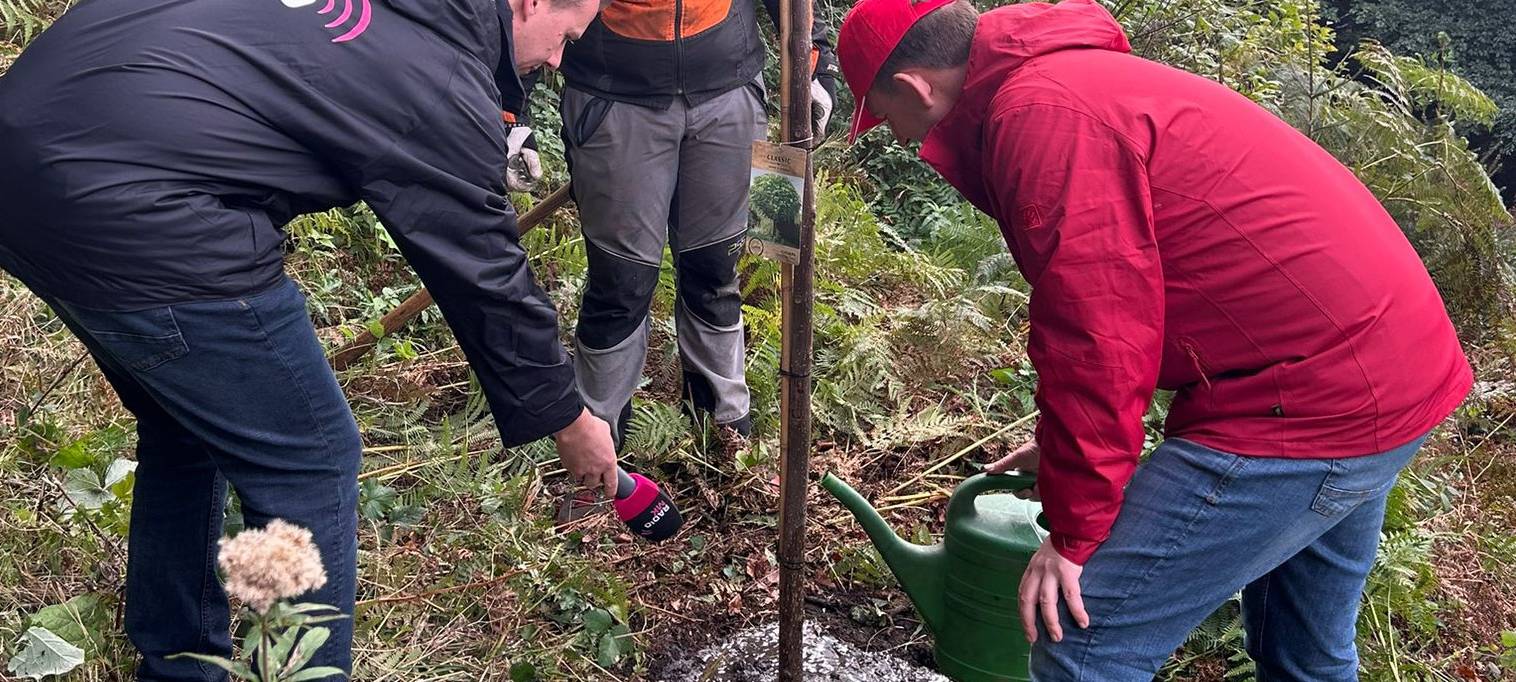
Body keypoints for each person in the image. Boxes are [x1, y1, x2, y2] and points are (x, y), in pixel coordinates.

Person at [834, 0, 1473, 678]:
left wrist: (1075, 536)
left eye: (882, 117)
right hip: (1387, 366)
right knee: (1305, 656)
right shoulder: (1071, 79)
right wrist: (1060, 445)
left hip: (1308, 397)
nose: (901, 139)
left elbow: (1097, 334)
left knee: (1083, 644)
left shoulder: (1043, 117)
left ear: (914, 88)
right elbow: (1134, 289)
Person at [0, 0, 612, 678]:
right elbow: (483, 273)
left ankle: (178, 659)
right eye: (568, 35)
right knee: (308, 460)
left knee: (188, 428)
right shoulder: (434, 77)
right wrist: (566, 416)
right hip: (137, 210)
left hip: (25, 155)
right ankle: (292, 670)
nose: (558, 60)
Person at [507, 0, 841, 456]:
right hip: (612, 100)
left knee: (718, 272)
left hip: (732, 89)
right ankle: (596, 449)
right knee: (620, 285)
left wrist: (815, 65)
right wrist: (511, 109)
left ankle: (724, 438)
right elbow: (531, 10)